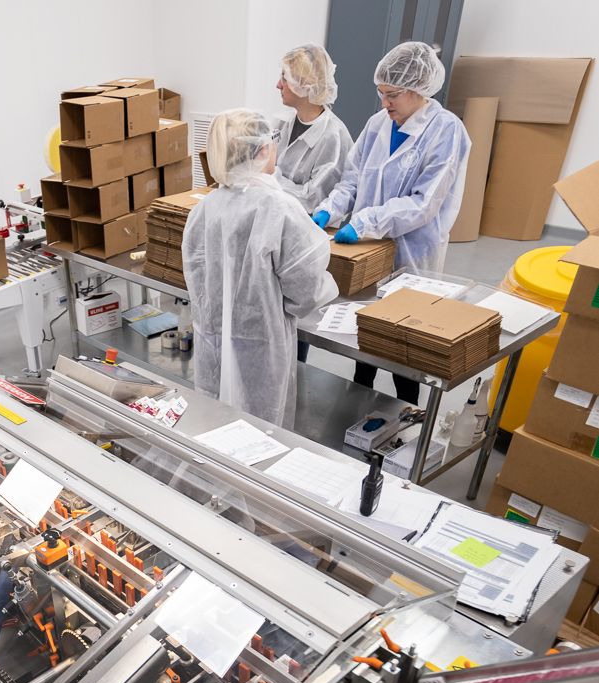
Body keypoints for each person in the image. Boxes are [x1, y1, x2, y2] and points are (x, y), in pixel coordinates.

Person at [314, 41, 471, 403]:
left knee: (403, 344)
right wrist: (329, 209)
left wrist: (366, 221)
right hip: (368, 250)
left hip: (413, 251)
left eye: (393, 95)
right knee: (365, 333)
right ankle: (358, 401)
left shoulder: (446, 131)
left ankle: (409, 414)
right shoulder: (376, 124)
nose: (385, 104)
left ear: (419, 90)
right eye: (381, 94)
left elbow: (423, 204)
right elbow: (352, 179)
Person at [182, 109, 338, 428]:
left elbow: (196, 279)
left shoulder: (204, 209)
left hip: (212, 346)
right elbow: (306, 289)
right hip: (262, 350)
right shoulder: (278, 207)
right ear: (263, 149)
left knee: (214, 427)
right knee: (260, 432)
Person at [274, 43, 352, 364]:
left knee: (296, 326)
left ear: (304, 86)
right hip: (275, 235)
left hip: (302, 244)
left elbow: (313, 198)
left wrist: (268, 184)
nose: (278, 84)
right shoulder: (282, 124)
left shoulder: (333, 136)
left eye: (284, 77)